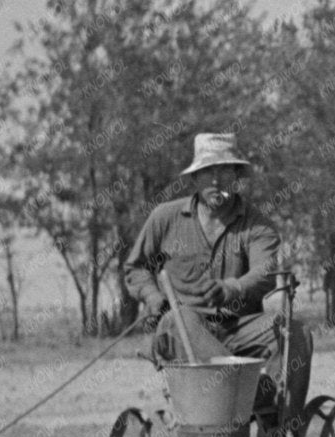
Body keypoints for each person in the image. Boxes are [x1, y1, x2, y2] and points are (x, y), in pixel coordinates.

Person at [123, 133, 312, 421]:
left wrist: (229, 290)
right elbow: (135, 268)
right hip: (185, 326)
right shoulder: (165, 218)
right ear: (194, 179)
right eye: (207, 172)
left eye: (224, 171)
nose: (215, 181)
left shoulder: (258, 226)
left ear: (236, 177)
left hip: (239, 327)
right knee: (178, 319)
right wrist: (153, 296)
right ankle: (242, 389)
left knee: (296, 332)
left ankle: (281, 430)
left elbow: (264, 275)